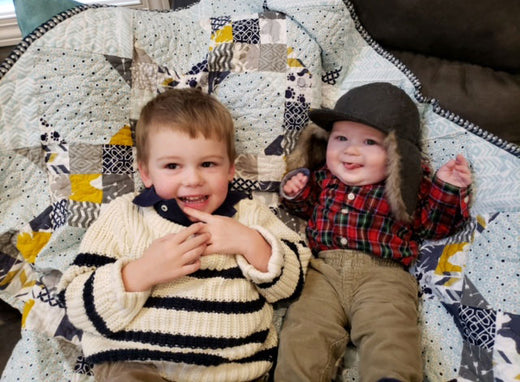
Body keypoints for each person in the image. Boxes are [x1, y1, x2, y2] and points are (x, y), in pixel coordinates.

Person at [58, 88, 311, 382]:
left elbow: (294, 285)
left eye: (208, 164)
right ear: (147, 173)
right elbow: (77, 307)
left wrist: (251, 243)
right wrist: (139, 273)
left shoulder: (249, 214)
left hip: (232, 369)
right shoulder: (125, 215)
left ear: (230, 169)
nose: (192, 179)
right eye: (172, 166)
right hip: (135, 364)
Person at [274, 82, 472, 382]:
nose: (351, 150)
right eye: (340, 137)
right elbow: (306, 208)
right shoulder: (324, 178)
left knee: (390, 333)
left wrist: (447, 187)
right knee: (304, 330)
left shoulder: (407, 186)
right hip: (321, 271)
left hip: (384, 276)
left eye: (370, 142)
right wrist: (296, 191)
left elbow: (433, 225)